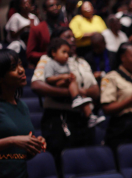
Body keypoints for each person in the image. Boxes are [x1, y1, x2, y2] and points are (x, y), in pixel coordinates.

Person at [30, 27, 98, 162]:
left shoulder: (82, 61)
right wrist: (70, 94)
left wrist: (79, 92)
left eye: (73, 37)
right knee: (63, 159)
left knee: (84, 160)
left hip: (83, 117)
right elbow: (36, 85)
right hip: (59, 117)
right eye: (67, 37)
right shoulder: (48, 59)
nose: (72, 40)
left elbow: (95, 91)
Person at [0, 49, 46, 178]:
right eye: (14, 68)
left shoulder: (22, 106)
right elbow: (14, 142)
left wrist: (34, 145)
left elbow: (19, 155)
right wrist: (12, 141)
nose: (21, 70)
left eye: (20, 65)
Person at [44, 38, 104, 128]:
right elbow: (48, 79)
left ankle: (90, 117)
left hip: (67, 84)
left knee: (83, 99)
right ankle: (76, 97)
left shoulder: (66, 64)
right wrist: (63, 77)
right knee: (74, 85)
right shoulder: (50, 63)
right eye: (64, 52)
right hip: (57, 85)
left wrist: (71, 77)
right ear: (53, 52)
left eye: (68, 53)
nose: (66, 56)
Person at [26, 0, 67, 66]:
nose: (55, 7)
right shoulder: (37, 29)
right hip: (46, 64)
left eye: (57, 5)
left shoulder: (64, 26)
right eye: (51, 6)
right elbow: (30, 54)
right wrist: (49, 54)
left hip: (65, 63)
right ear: (45, 10)